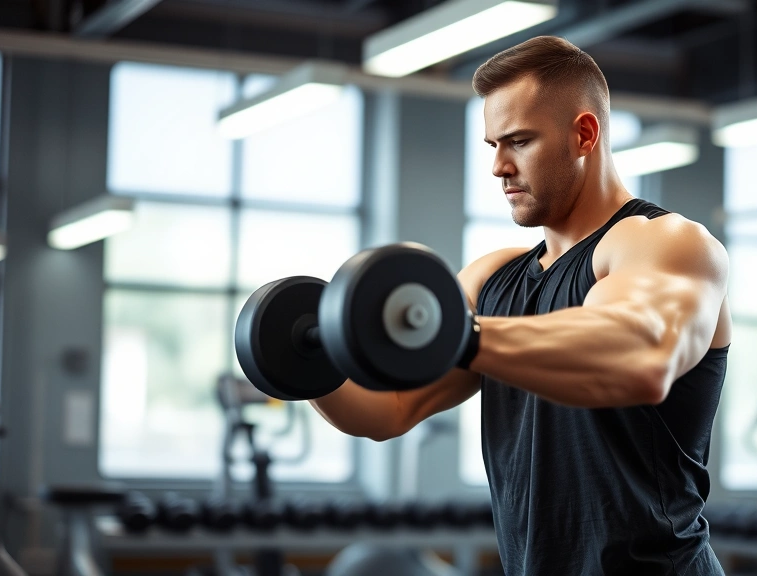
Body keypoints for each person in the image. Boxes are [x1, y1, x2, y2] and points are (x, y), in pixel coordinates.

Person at [311, 35, 731, 575]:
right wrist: (308, 362)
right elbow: (388, 407)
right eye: (493, 146)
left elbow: (640, 353)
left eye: (520, 142)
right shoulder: (493, 278)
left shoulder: (664, 244)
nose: (499, 167)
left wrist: (462, 338)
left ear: (584, 134)